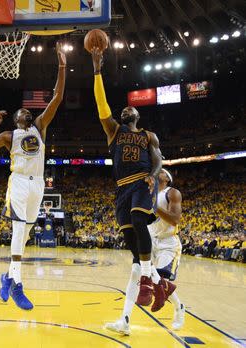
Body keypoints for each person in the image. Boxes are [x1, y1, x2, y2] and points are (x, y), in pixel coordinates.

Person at [0, 42, 67, 310]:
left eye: (29, 111)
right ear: (16, 118)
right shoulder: (8, 136)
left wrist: (62, 66)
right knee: (18, 229)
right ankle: (17, 284)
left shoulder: (39, 127)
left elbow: (57, 98)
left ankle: (6, 275)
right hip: (18, 181)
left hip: (37, 184)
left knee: (25, 233)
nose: (27, 112)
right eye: (23, 111)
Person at [90, 47, 174, 335]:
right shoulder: (114, 130)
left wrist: (152, 176)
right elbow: (101, 105)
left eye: (130, 109)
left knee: (139, 220)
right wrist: (97, 70)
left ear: (137, 114)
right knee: (131, 245)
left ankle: (151, 282)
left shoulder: (149, 136)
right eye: (123, 109)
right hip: (121, 189)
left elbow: (159, 160)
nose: (126, 110)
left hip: (141, 182)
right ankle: (156, 287)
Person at [148, 169, 184, 330]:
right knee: (148, 279)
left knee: (162, 280)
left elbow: (175, 220)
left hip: (168, 244)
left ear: (167, 179)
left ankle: (178, 307)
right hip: (151, 241)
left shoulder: (172, 193)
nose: (159, 171)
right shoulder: (149, 192)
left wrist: (155, 207)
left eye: (162, 171)